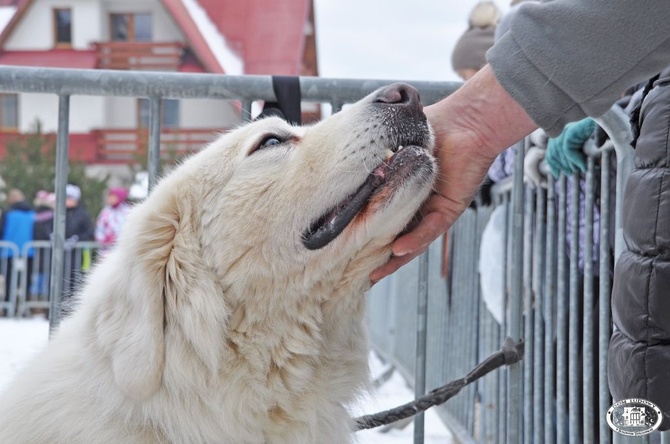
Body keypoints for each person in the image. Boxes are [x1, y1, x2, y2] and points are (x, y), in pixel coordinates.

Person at [370, 0, 670, 430]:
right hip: (607, 258)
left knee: (580, 375)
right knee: (572, 374)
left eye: (473, 75)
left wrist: (604, 123)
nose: (468, 82)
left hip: (596, 255)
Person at [450, 1, 499, 81]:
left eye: (477, 71)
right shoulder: (502, 39)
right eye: (462, 76)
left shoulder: (465, 41)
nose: (466, 82)